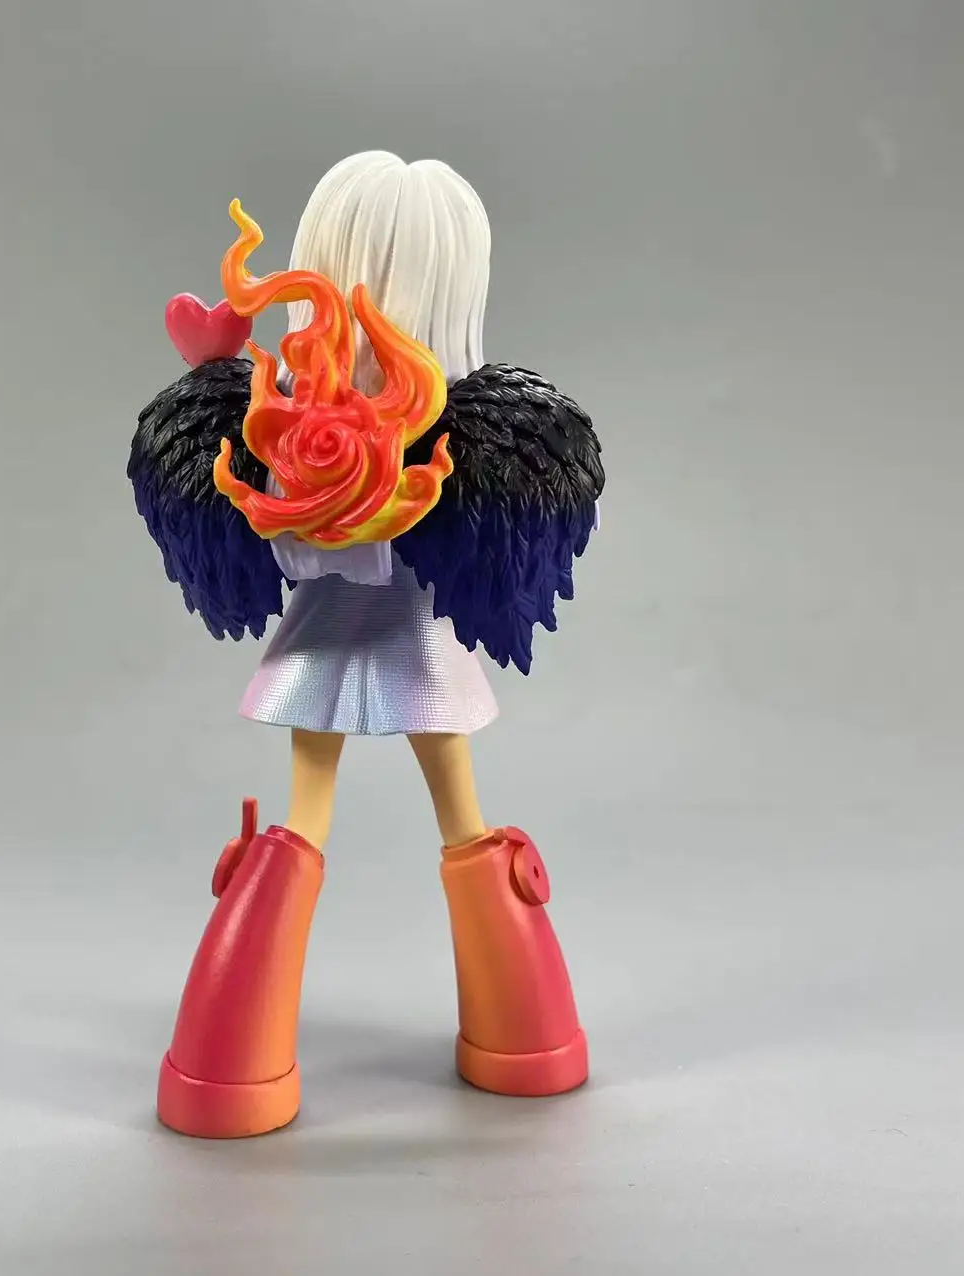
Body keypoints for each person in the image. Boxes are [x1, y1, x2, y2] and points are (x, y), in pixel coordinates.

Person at [129, 151, 606, 1138]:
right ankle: (525, 1037)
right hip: (418, 641)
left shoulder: (282, 418)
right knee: (457, 809)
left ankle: (229, 1063)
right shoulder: (446, 432)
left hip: (336, 637)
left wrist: (245, 413)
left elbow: (278, 540)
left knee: (307, 813)